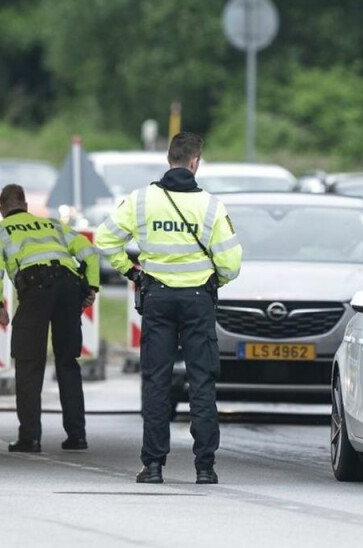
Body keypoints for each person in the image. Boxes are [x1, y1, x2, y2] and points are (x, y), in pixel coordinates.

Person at [95, 132, 242, 485]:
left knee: (157, 382)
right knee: (202, 383)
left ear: (169, 159)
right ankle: (205, 468)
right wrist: (210, 282)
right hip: (197, 302)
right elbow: (231, 263)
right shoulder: (211, 206)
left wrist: (132, 271)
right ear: (195, 161)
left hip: (157, 299)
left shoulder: (141, 200)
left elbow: (104, 239)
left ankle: (153, 466)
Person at [0, 184, 100, 453]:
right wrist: (91, 287)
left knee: (29, 364)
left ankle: (30, 438)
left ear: (1, 210)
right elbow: (89, 253)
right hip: (69, 287)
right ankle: (77, 436)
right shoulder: (52, 225)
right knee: (68, 363)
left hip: (36, 290)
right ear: (25, 207)